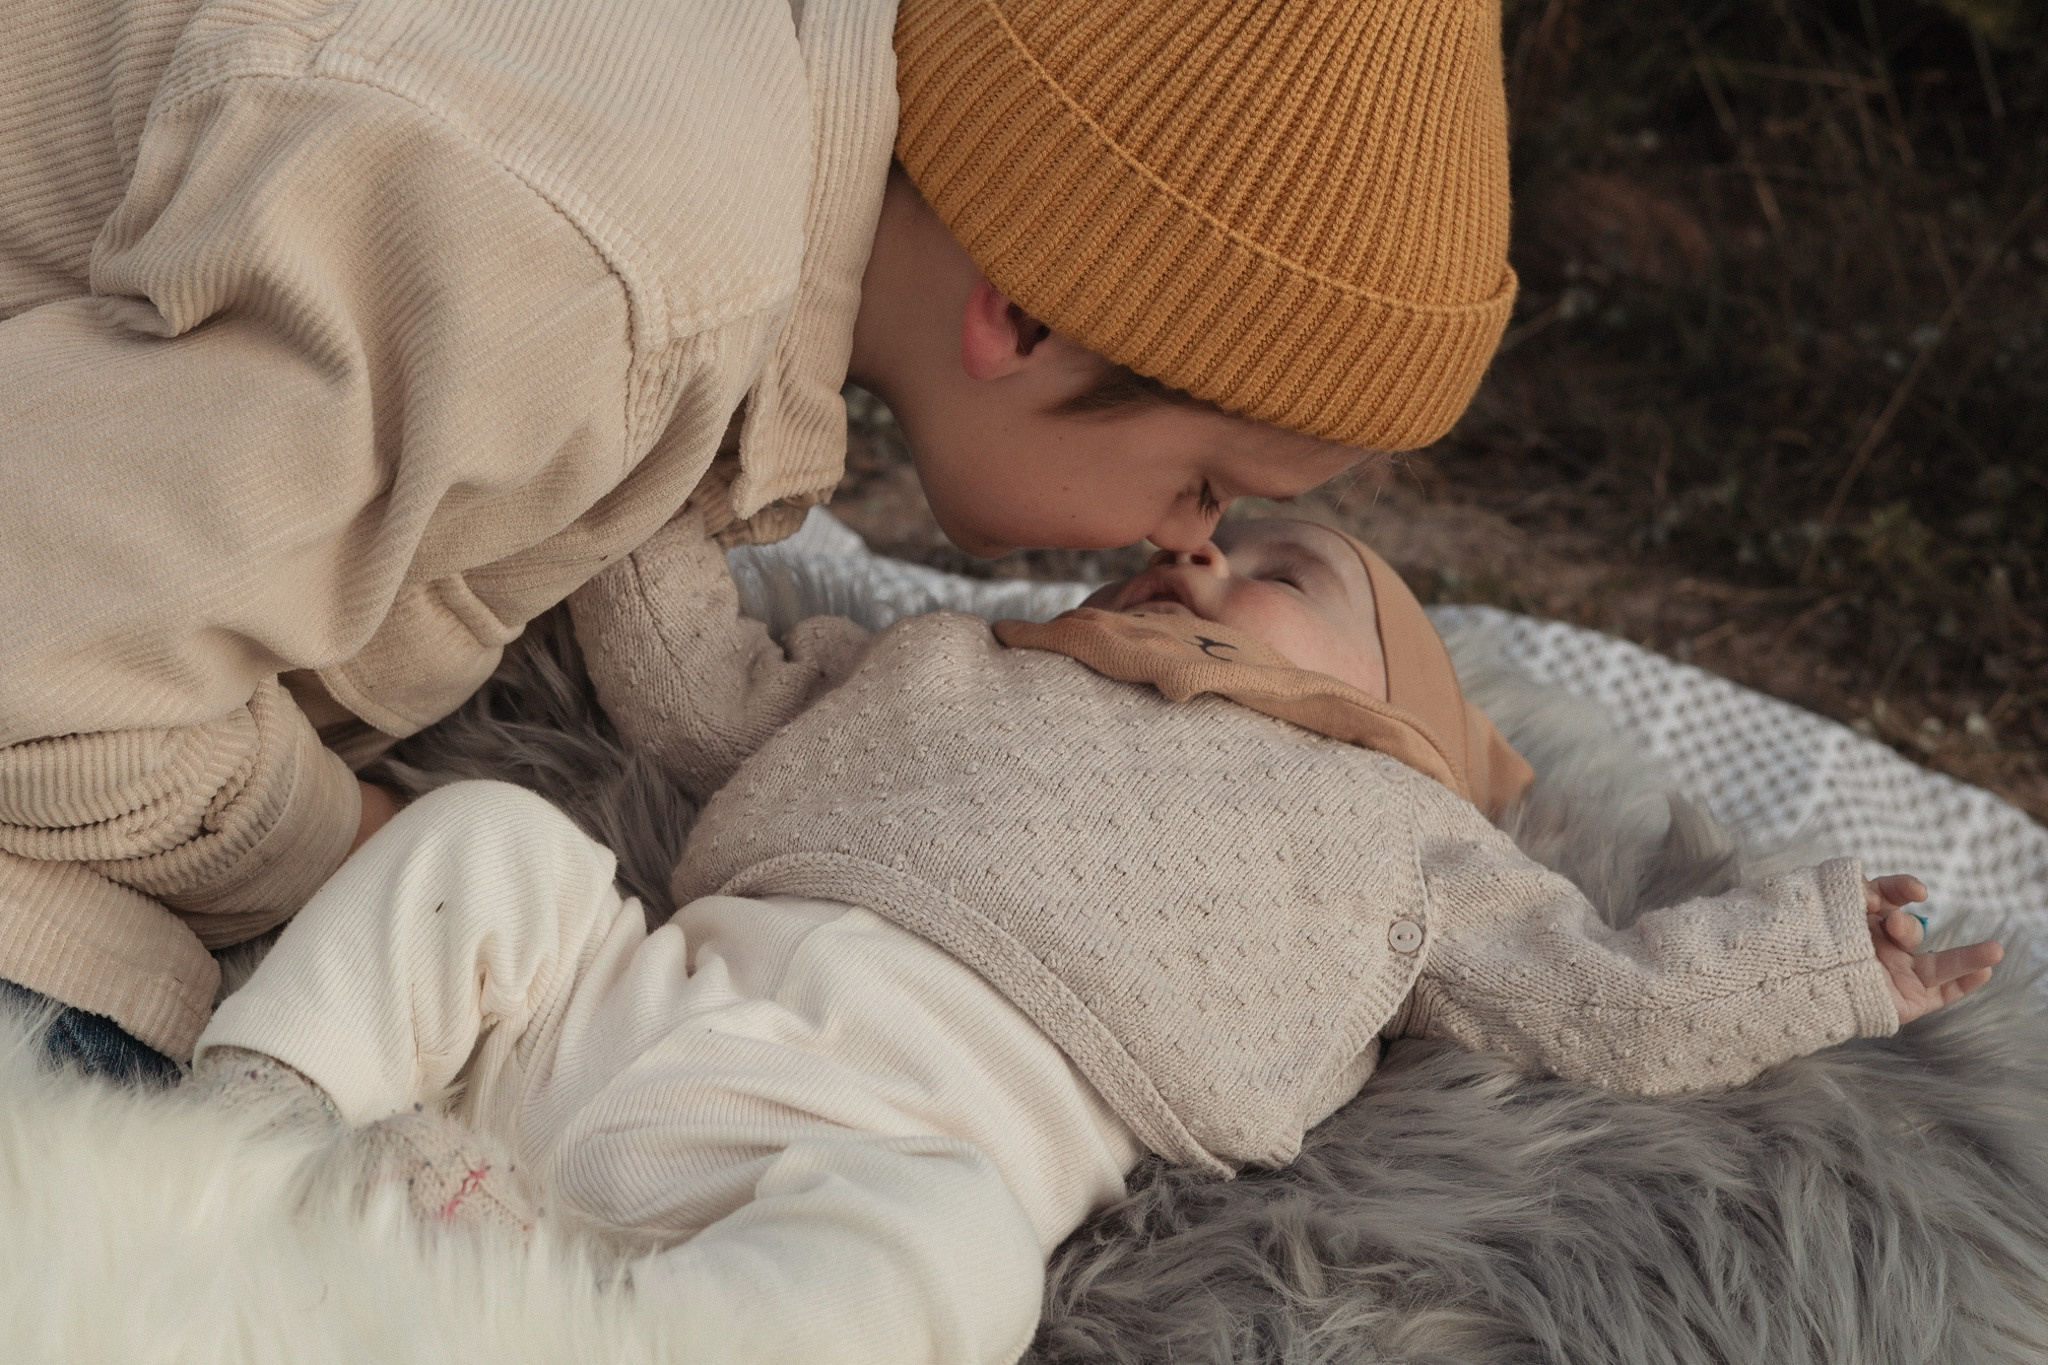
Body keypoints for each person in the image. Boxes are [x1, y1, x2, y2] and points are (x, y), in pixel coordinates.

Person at [0, 0, 1519, 1076]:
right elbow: (34, 666)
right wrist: (350, 842)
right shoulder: (596, 281)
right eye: (1205, 481)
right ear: (1033, 313)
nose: (1190, 543)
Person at [188, 513, 2001, 1364]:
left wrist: (1834, 954)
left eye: (1281, 565)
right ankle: (247, 1114)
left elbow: (1608, 999)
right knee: (489, 841)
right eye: (1202, 542)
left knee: (953, 1259)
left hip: (881, 1153)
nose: (1201, 555)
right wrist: (658, 486)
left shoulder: (1411, 841)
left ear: (1403, 707)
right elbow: (687, 689)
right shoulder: (945, 667)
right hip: (637, 990)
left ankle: (630, 1337)